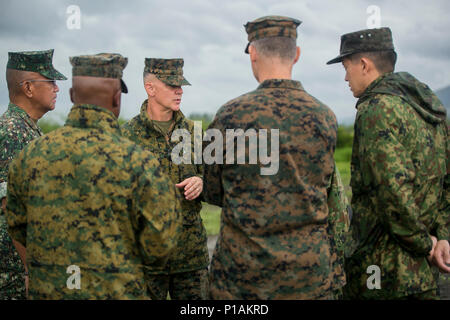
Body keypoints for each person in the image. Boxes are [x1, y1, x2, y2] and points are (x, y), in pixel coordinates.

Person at [4, 53, 181, 299]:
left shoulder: (30, 156)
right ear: (116, 98)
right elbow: (162, 245)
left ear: (73, 96)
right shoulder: (140, 163)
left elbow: (17, 225)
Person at [203, 15, 349, 299]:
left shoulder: (229, 115)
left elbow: (211, 190)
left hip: (243, 281)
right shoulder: (325, 116)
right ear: (296, 54)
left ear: (253, 53)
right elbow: (326, 188)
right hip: (310, 279)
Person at [327, 27, 450, 299]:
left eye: (347, 67)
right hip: (422, 275)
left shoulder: (376, 109)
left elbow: (391, 191)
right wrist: (442, 237)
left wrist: (425, 244)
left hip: (383, 271)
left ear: (364, 64)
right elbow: (445, 182)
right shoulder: (429, 109)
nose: (346, 77)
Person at [121, 58, 209, 300]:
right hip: (146, 258)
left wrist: (201, 182)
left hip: (190, 257)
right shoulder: (126, 137)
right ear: (150, 88)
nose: (179, 90)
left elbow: (213, 179)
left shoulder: (194, 132)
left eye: (180, 85)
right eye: (172, 85)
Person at [0, 49, 67, 299]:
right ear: (28, 88)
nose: (56, 88)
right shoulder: (13, 132)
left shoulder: (30, 132)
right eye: (50, 82)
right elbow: (11, 205)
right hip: (14, 274)